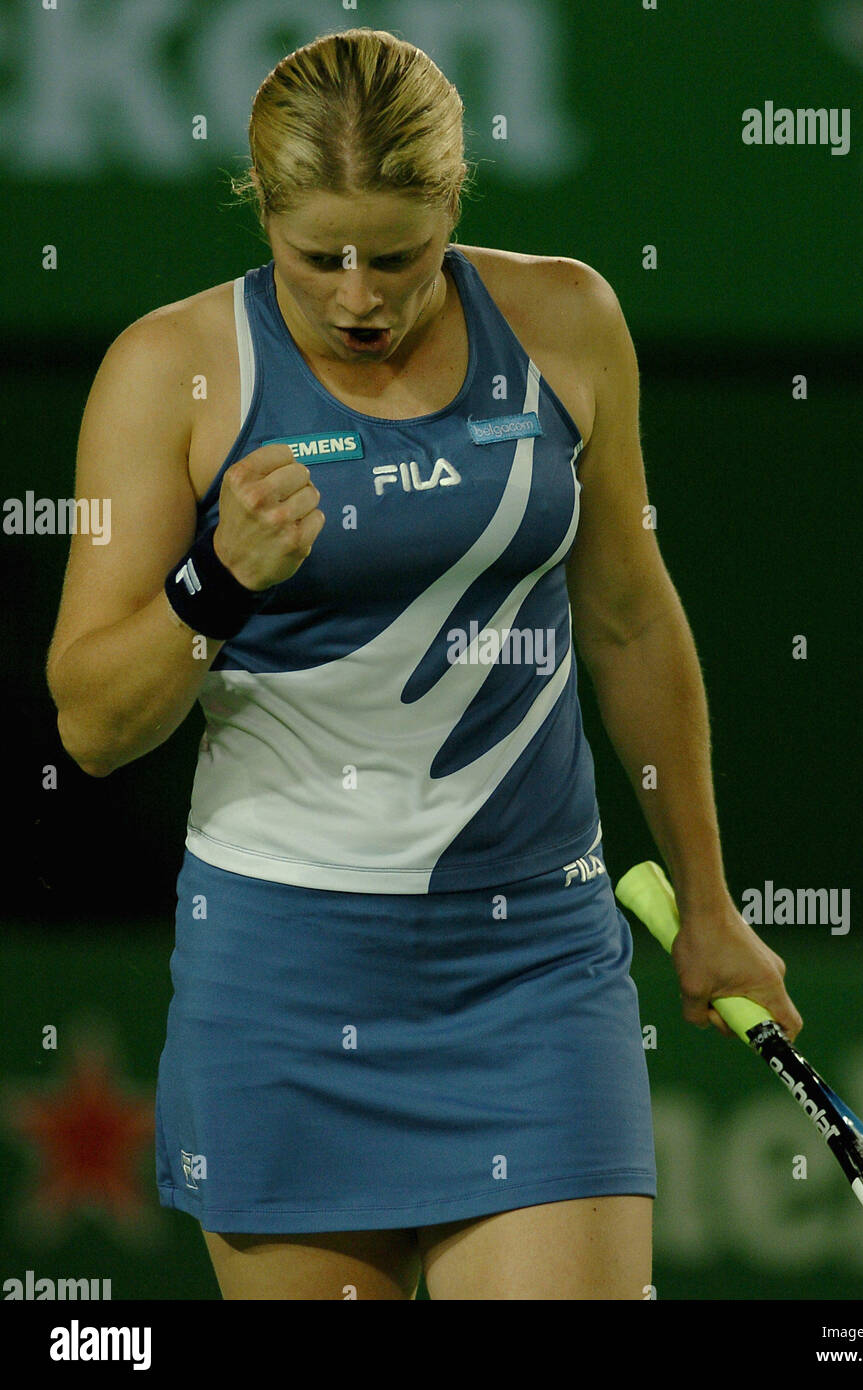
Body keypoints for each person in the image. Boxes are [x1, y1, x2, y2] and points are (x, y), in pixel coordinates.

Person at [46, 27, 801, 1300]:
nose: (356, 295)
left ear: (452, 207)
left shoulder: (565, 321)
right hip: (279, 979)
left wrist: (712, 908)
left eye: (396, 257)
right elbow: (93, 723)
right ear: (263, 212)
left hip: (534, 971)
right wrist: (215, 579)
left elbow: (625, 617)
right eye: (317, 257)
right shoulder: (167, 372)